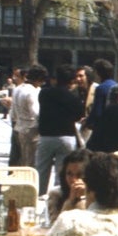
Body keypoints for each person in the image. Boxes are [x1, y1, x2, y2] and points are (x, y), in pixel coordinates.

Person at [36, 64, 86, 195]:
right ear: (72, 81)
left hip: (46, 136)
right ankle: (58, 197)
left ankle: (39, 196)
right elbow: (79, 115)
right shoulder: (73, 98)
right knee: (62, 172)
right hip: (66, 136)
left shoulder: (44, 93)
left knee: (41, 170)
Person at [46, 147, 92, 224]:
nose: (73, 179)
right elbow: (55, 225)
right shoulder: (56, 194)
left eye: (79, 175)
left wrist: (85, 198)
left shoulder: (96, 195)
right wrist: (70, 201)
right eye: (69, 174)